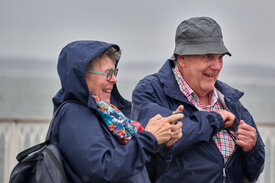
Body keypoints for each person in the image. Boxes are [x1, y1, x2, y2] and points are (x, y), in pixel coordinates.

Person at [131, 17, 265, 183]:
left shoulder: (229, 99)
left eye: (220, 57)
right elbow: (167, 140)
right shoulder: (151, 90)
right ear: (181, 58)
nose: (217, 66)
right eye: (208, 57)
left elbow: (252, 173)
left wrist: (252, 149)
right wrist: (215, 119)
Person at [50, 40, 184, 183]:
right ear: (82, 75)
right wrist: (149, 138)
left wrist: (162, 146)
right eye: (108, 73)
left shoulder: (111, 116)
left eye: (114, 72)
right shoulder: (74, 114)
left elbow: (143, 173)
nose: (114, 79)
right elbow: (102, 171)